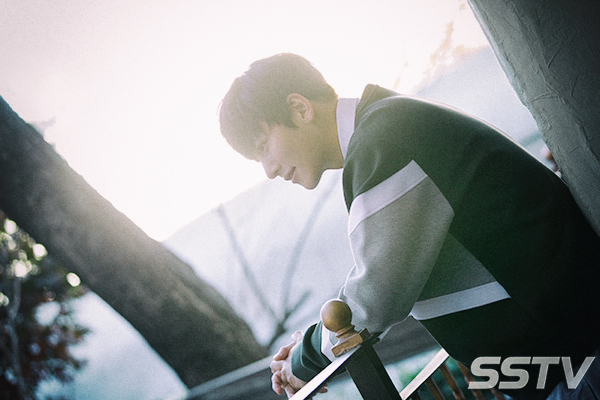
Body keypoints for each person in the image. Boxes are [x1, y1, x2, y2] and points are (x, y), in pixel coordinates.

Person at [218, 53, 600, 400]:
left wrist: (304, 359)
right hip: (569, 353)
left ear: (300, 108)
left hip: (578, 360)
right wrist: (312, 343)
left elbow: (377, 294)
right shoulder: (387, 123)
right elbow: (382, 276)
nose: (269, 170)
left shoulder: (384, 141)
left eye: (263, 146)